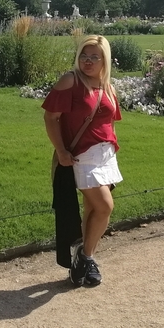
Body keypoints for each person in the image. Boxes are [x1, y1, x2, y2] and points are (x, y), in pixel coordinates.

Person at [42, 35, 122, 288]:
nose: (87, 61)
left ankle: (84, 261)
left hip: (105, 154)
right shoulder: (71, 81)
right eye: (84, 56)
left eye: (94, 57)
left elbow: (108, 121)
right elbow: (50, 117)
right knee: (105, 207)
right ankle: (86, 257)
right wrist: (61, 150)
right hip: (82, 155)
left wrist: (110, 147)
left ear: (105, 60)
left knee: (92, 209)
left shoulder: (107, 86)